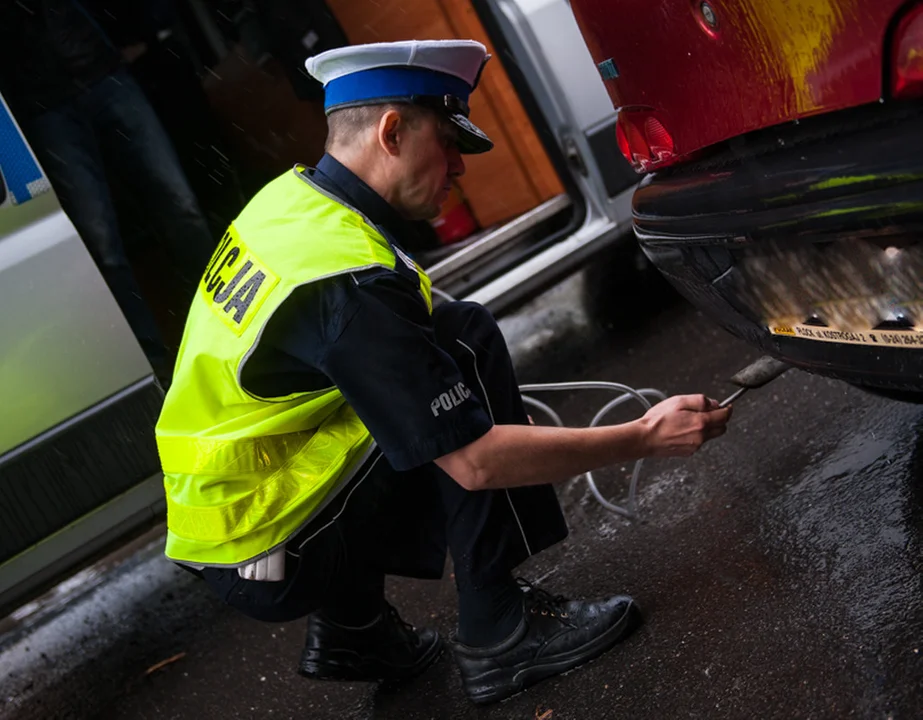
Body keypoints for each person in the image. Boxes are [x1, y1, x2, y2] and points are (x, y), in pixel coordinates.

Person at [154, 39, 732, 705]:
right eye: (448, 143)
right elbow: (477, 464)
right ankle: (501, 634)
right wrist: (643, 436)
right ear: (392, 132)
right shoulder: (346, 284)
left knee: (435, 353)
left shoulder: (291, 203)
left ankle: (356, 631)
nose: (459, 167)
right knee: (460, 355)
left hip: (233, 522)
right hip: (271, 546)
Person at [0, 0, 216, 378]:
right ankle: (153, 369)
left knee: (180, 204)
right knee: (101, 245)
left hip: (101, 71)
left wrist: (138, 33)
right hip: (41, 104)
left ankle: (231, 318)